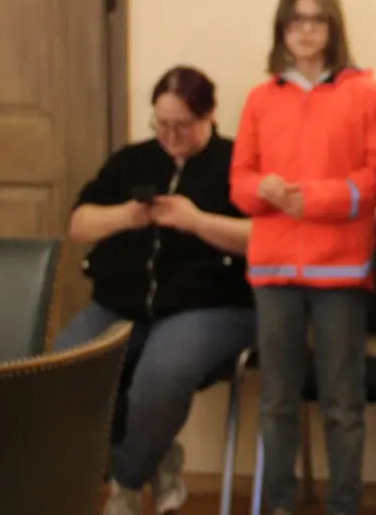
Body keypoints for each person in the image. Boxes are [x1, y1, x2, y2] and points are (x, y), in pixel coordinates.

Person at [57, 65, 255, 515]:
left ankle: (124, 485)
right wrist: (127, 216)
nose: (171, 136)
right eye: (161, 125)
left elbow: (265, 237)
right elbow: (78, 223)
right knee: (65, 367)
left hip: (212, 306)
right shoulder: (133, 160)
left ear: (209, 116)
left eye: (182, 125)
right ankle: (160, 454)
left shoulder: (238, 163)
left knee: (159, 377)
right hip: (122, 303)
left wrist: (195, 221)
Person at [231, 0, 376, 515]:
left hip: (340, 271)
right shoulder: (260, 98)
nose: (305, 30)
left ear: (332, 28)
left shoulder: (365, 91)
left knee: (341, 404)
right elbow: (240, 182)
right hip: (273, 270)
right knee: (277, 401)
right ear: (282, 28)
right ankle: (277, 505)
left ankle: (342, 506)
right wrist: (265, 191)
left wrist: (314, 200)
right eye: (295, 20)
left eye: (316, 19)